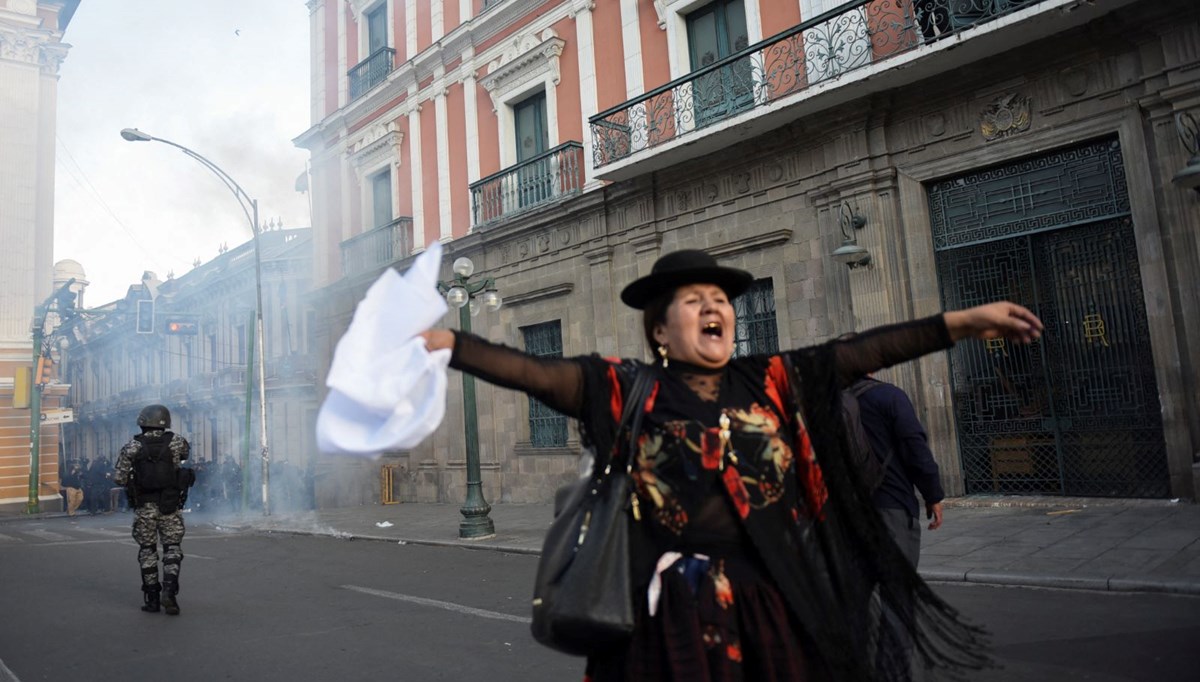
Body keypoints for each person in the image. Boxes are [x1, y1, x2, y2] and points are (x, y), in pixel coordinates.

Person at [420, 249, 1042, 681]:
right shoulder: (623, 389)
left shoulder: (769, 379)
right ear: (660, 330)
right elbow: (533, 372)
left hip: (773, 601)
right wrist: (452, 344)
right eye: (694, 301)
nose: (714, 307)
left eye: (720, 298)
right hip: (670, 616)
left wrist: (960, 323)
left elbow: (859, 351)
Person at [852, 375, 945, 681]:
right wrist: (933, 494)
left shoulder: (825, 404)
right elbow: (914, 447)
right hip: (890, 510)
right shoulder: (889, 397)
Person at [113, 404, 193, 615]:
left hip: (145, 507)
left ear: (142, 422)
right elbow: (185, 455)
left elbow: (119, 478)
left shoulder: (132, 446)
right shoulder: (177, 441)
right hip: (170, 505)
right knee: (172, 548)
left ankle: (152, 598)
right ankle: (170, 591)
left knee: (147, 551)